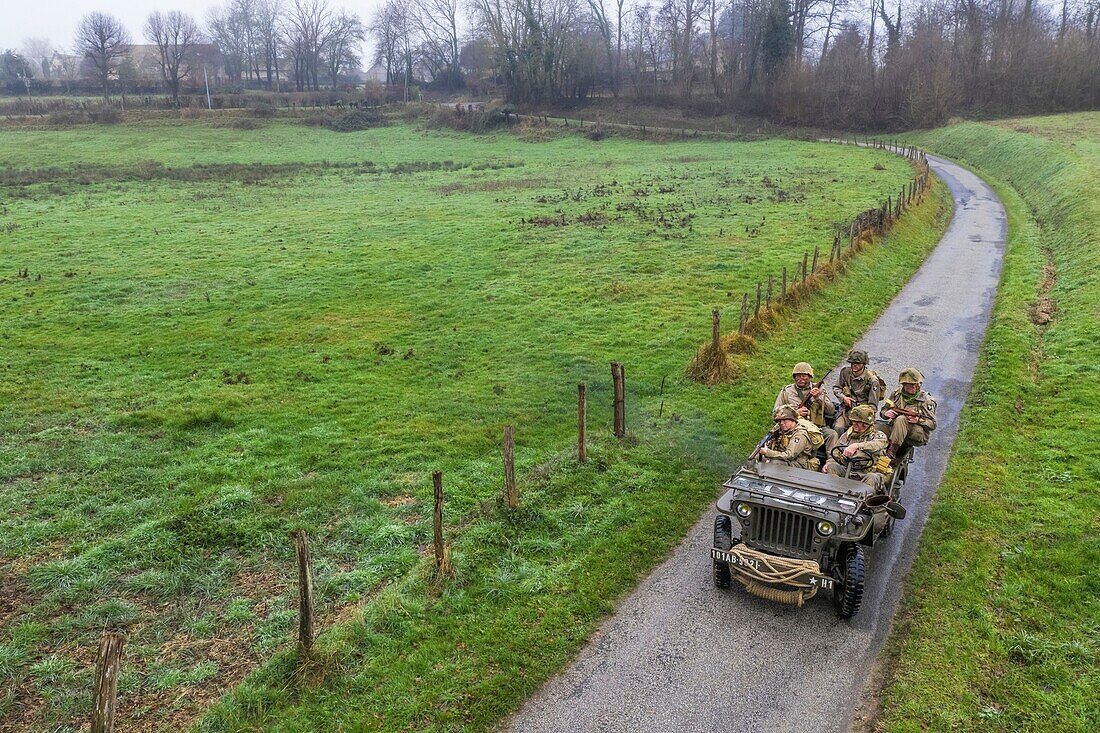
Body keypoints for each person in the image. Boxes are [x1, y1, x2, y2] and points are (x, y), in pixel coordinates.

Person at [822, 404, 888, 492]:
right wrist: (829, 463)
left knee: (872, 477)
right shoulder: (847, 435)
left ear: (866, 424)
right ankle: (833, 493)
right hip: (848, 470)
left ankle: (861, 502)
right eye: (853, 421)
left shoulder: (878, 436)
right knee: (832, 467)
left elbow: (877, 445)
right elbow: (835, 453)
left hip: (868, 473)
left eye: (857, 422)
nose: (854, 424)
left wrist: (857, 446)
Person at [880, 368, 937, 460]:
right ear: (903, 385)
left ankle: (891, 452)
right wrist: (886, 413)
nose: (913, 387)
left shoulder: (926, 400)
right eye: (910, 385)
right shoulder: (896, 395)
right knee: (875, 427)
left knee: (901, 419)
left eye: (916, 384)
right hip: (895, 430)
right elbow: (883, 411)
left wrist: (918, 420)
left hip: (915, 434)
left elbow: (933, 424)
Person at [774, 362, 836, 445]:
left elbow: (831, 411)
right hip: (795, 428)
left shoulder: (819, 389)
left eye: (803, 376)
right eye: (797, 376)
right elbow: (775, 412)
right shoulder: (787, 391)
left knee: (832, 434)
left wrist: (818, 398)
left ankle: (832, 458)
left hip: (817, 427)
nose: (800, 378)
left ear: (810, 377)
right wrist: (795, 413)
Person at [832, 349, 886, 433]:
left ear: (864, 364)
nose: (854, 365)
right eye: (852, 363)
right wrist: (844, 398)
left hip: (863, 415)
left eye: (857, 363)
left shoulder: (872, 381)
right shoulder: (845, 372)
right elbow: (836, 388)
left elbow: (873, 406)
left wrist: (861, 415)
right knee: (838, 428)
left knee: (859, 433)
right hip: (847, 411)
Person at [757, 405, 823, 470]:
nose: (781, 423)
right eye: (779, 421)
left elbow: (789, 455)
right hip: (783, 458)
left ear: (792, 420)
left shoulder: (800, 434)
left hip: (798, 464)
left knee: (775, 463)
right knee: (756, 458)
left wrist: (768, 452)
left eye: (785, 420)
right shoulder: (781, 430)